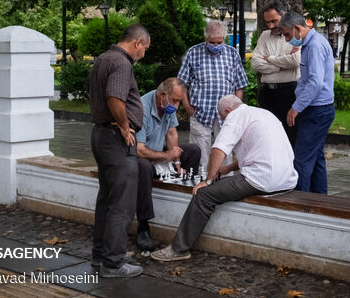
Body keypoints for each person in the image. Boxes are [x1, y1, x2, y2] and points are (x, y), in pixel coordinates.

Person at [150, 95, 298, 262]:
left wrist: (208, 181)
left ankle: (179, 249)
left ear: (228, 110)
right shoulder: (262, 114)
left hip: (263, 181)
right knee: (220, 185)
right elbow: (256, 155)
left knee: (204, 195)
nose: (222, 121)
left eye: (222, 118)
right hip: (287, 180)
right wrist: (227, 168)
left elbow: (218, 149)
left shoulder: (235, 116)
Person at [88, 24, 150, 278]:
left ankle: (100, 255)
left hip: (100, 135)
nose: (144, 54)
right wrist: (125, 126)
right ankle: (113, 264)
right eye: (145, 48)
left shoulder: (102, 58)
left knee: (106, 198)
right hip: (116, 138)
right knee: (122, 204)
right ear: (137, 43)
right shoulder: (122, 63)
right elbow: (115, 97)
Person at [135, 78, 201, 250]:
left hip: (159, 155)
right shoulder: (141, 107)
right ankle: (143, 226)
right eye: (175, 100)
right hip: (140, 158)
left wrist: (177, 161)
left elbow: (172, 133)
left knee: (193, 150)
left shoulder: (167, 105)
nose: (177, 106)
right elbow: (139, 150)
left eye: (179, 101)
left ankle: (184, 202)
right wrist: (166, 156)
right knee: (144, 167)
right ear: (163, 94)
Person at [177, 20, 249, 171]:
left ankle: (223, 188)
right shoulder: (193, 53)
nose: (216, 45)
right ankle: (198, 186)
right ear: (206, 39)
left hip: (226, 114)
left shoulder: (232, 53)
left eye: (219, 42)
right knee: (199, 154)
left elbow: (240, 85)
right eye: (212, 42)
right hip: (200, 112)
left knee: (225, 154)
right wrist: (187, 106)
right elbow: (181, 83)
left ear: (224, 39)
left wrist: (237, 110)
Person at [279, 12, 335, 194]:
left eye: (287, 34)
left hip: (316, 110)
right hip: (317, 109)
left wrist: (296, 108)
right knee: (316, 158)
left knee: (301, 160)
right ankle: (319, 200)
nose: (288, 40)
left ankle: (299, 204)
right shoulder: (311, 43)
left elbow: (315, 82)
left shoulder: (315, 46)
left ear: (297, 28)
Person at [250, 1, 300, 148]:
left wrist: (270, 59)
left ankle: (291, 169)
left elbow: (295, 61)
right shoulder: (265, 36)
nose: (271, 26)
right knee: (267, 136)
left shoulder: (295, 34)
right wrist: (280, 66)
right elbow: (255, 64)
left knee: (290, 136)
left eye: (274, 21)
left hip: (289, 93)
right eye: (267, 22)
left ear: (284, 16)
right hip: (267, 94)